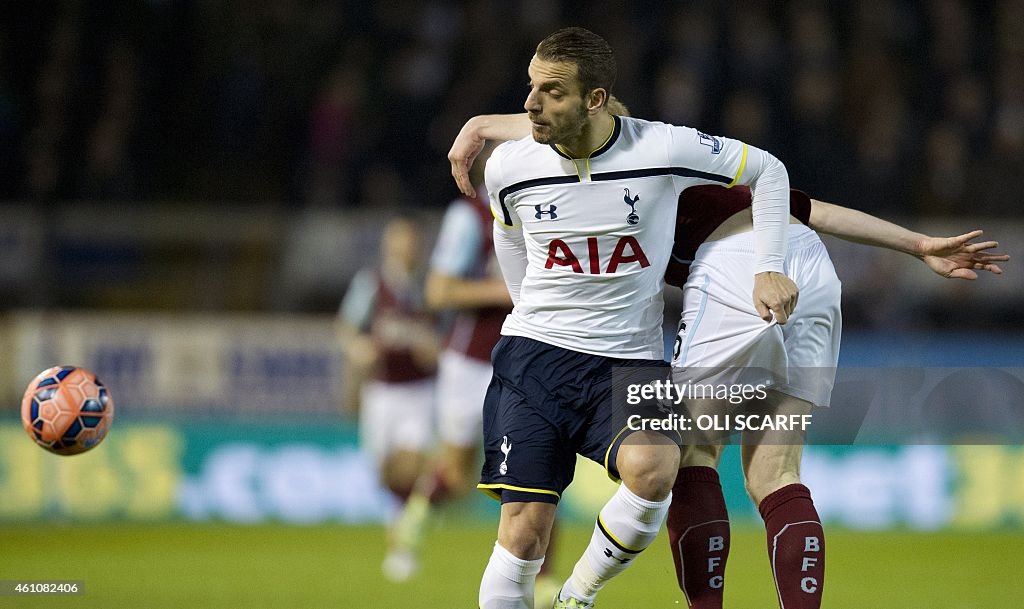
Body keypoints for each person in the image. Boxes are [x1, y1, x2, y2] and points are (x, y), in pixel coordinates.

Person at [449, 111, 1006, 609]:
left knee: (690, 452)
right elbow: (813, 210)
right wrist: (918, 246)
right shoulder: (693, 168)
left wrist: (484, 125)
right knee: (777, 474)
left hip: (742, 269)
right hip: (810, 267)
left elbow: (582, 122)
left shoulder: (643, 164)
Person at [463, 27, 797, 609]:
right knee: (524, 530)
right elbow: (510, 240)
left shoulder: (661, 149)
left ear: (594, 99)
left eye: (552, 92)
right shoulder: (510, 167)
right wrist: (536, 313)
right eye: (531, 87)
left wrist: (769, 267)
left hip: (630, 357)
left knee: (655, 466)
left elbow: (767, 170)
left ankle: (576, 596)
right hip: (536, 356)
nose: (531, 105)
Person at [337, 215, 440, 576]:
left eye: (410, 241)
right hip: (381, 391)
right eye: (399, 241)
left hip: (419, 391)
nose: (405, 248)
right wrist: (358, 349)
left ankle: (404, 547)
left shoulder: (430, 286)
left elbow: (448, 333)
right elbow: (347, 329)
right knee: (384, 469)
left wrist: (437, 349)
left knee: (410, 468)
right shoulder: (371, 285)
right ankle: (397, 537)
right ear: (388, 245)